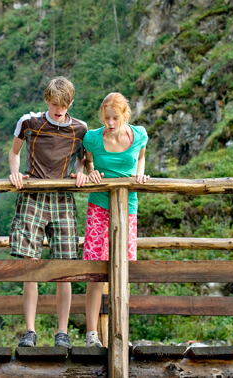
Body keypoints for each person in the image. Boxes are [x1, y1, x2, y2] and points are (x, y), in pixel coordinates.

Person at [8, 76, 89, 348]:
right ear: (47, 100)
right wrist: (14, 173)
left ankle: (62, 332)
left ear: (71, 103)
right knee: (30, 263)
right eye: (54, 103)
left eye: (64, 105)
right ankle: (30, 331)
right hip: (33, 193)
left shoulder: (80, 128)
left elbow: (82, 160)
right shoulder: (30, 122)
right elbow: (14, 152)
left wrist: (79, 174)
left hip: (63, 196)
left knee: (64, 265)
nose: (59, 109)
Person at [80, 92, 149, 347]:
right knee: (96, 271)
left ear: (125, 116)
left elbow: (140, 156)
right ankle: (92, 335)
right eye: (106, 118)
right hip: (99, 206)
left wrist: (139, 175)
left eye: (115, 118)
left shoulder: (138, 135)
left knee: (123, 270)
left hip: (128, 206)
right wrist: (91, 171)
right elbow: (87, 161)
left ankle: (121, 333)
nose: (110, 123)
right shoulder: (93, 139)